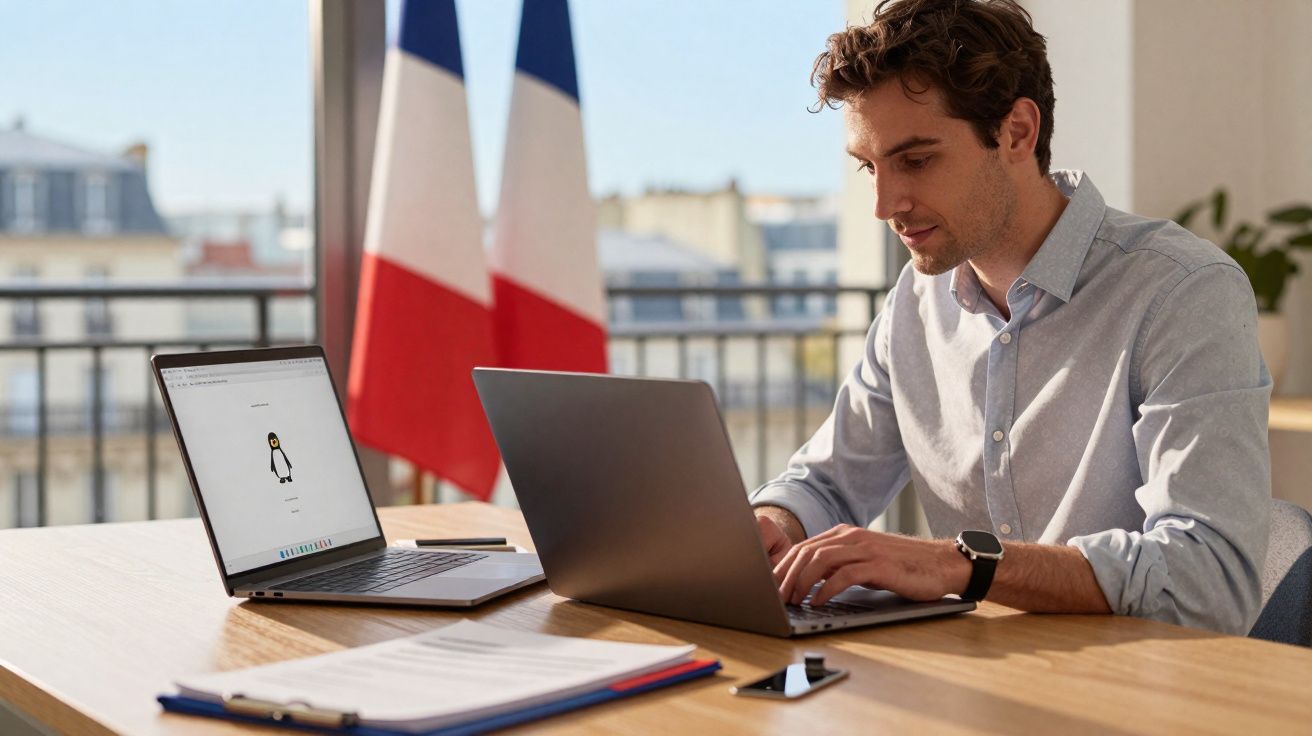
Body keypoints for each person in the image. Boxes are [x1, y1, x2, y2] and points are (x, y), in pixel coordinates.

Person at [753, 0, 1271, 635]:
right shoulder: (915, 305)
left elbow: (1208, 578)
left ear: (1017, 133)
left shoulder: (1183, 293)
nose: (885, 204)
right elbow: (829, 484)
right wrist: (772, 525)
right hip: (980, 684)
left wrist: (965, 565)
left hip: (1143, 697)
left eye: (915, 160)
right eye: (870, 167)